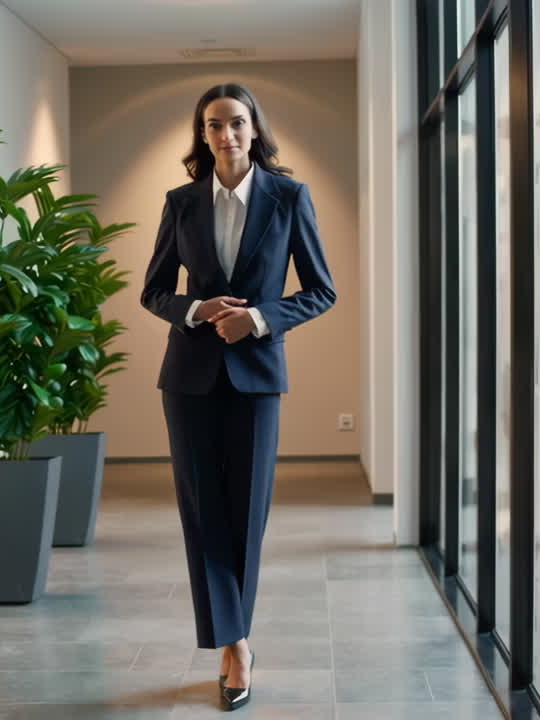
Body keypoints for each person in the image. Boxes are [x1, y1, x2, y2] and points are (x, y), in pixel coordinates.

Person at [140, 82, 337, 712]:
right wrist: (196, 309)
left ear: (254, 130)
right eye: (213, 124)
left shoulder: (288, 197)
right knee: (203, 515)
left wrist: (257, 320)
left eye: (236, 123)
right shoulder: (181, 202)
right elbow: (154, 291)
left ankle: (235, 640)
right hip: (189, 380)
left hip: (256, 376)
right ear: (202, 133)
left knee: (247, 514)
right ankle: (237, 644)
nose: (225, 134)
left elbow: (320, 290)